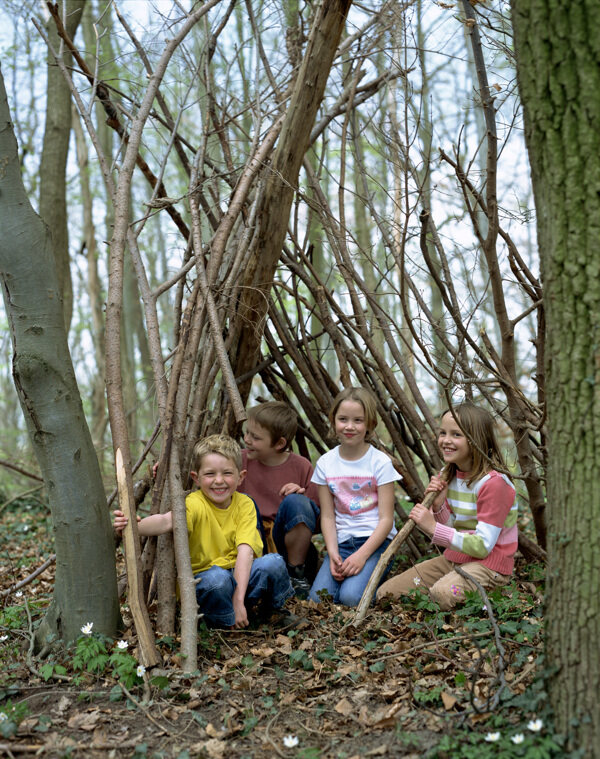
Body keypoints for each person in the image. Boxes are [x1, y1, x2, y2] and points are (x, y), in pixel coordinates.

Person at [114, 434, 294, 629]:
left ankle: (270, 613)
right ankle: (223, 621)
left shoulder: (245, 504)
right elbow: (166, 521)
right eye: (210, 474)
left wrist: (238, 599)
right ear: (196, 478)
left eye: (227, 473)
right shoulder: (194, 503)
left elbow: (246, 551)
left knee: (273, 562)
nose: (219, 481)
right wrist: (133, 526)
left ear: (240, 477)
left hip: (240, 577)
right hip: (207, 580)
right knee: (218, 579)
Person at [376, 403, 518, 610]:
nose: (445, 440)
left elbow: (482, 546)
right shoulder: (449, 473)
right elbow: (454, 530)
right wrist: (440, 504)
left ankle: (483, 591)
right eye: (443, 433)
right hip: (456, 559)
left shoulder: (495, 484)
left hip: (489, 566)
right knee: (387, 593)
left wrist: (432, 527)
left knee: (442, 594)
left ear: (476, 440)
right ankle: (449, 586)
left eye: (456, 435)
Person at [308, 387, 400, 607]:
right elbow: (328, 517)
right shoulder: (326, 463)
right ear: (333, 421)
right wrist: (332, 553)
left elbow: (387, 520)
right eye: (343, 419)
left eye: (358, 420)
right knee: (318, 599)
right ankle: (357, 576)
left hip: (375, 542)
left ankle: (373, 574)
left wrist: (362, 556)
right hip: (341, 543)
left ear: (369, 424)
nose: (350, 426)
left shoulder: (380, 463)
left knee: (350, 598)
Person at [242, 401, 320, 598]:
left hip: (285, 542)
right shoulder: (238, 460)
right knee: (247, 505)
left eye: (255, 437)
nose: (246, 440)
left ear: (279, 443)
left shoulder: (301, 466)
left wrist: (299, 497)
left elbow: (316, 519)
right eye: (247, 433)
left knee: (297, 502)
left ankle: (296, 575)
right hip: (250, 541)